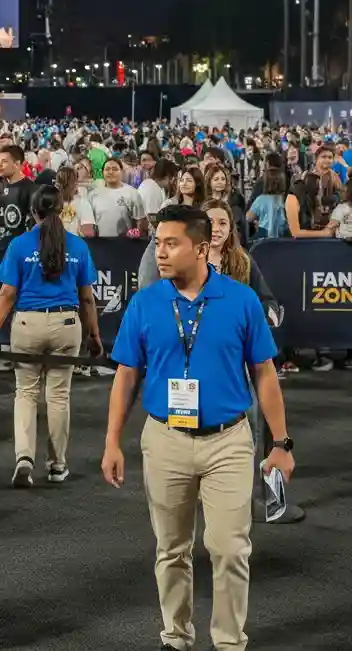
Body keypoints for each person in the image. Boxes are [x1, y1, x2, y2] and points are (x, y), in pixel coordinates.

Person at [100, 204, 295, 651]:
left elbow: (265, 375)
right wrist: (112, 440)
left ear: (202, 249)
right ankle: (176, 636)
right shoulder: (145, 302)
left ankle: (229, 642)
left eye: (171, 244)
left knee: (230, 549)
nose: (160, 252)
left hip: (229, 441)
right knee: (171, 550)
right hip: (165, 440)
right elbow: (126, 376)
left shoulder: (242, 300)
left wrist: (281, 443)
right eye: (157, 242)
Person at [0, 186, 102, 487]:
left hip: (27, 323)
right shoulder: (77, 247)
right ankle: (57, 465)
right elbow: (87, 298)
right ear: (61, 210)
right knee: (59, 395)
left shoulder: (20, 245)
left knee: (26, 392)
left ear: (33, 211)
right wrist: (94, 335)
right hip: (65, 323)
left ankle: (24, 457)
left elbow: (7, 293)